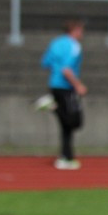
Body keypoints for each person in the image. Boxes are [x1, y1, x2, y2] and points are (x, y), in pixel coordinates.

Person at [36, 19, 88, 170]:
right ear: (75, 30)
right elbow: (66, 69)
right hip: (66, 87)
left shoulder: (56, 43)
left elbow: (45, 62)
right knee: (75, 121)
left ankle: (66, 157)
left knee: (66, 125)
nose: (82, 34)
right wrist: (78, 85)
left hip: (54, 85)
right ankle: (52, 107)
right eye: (80, 31)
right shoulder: (74, 46)